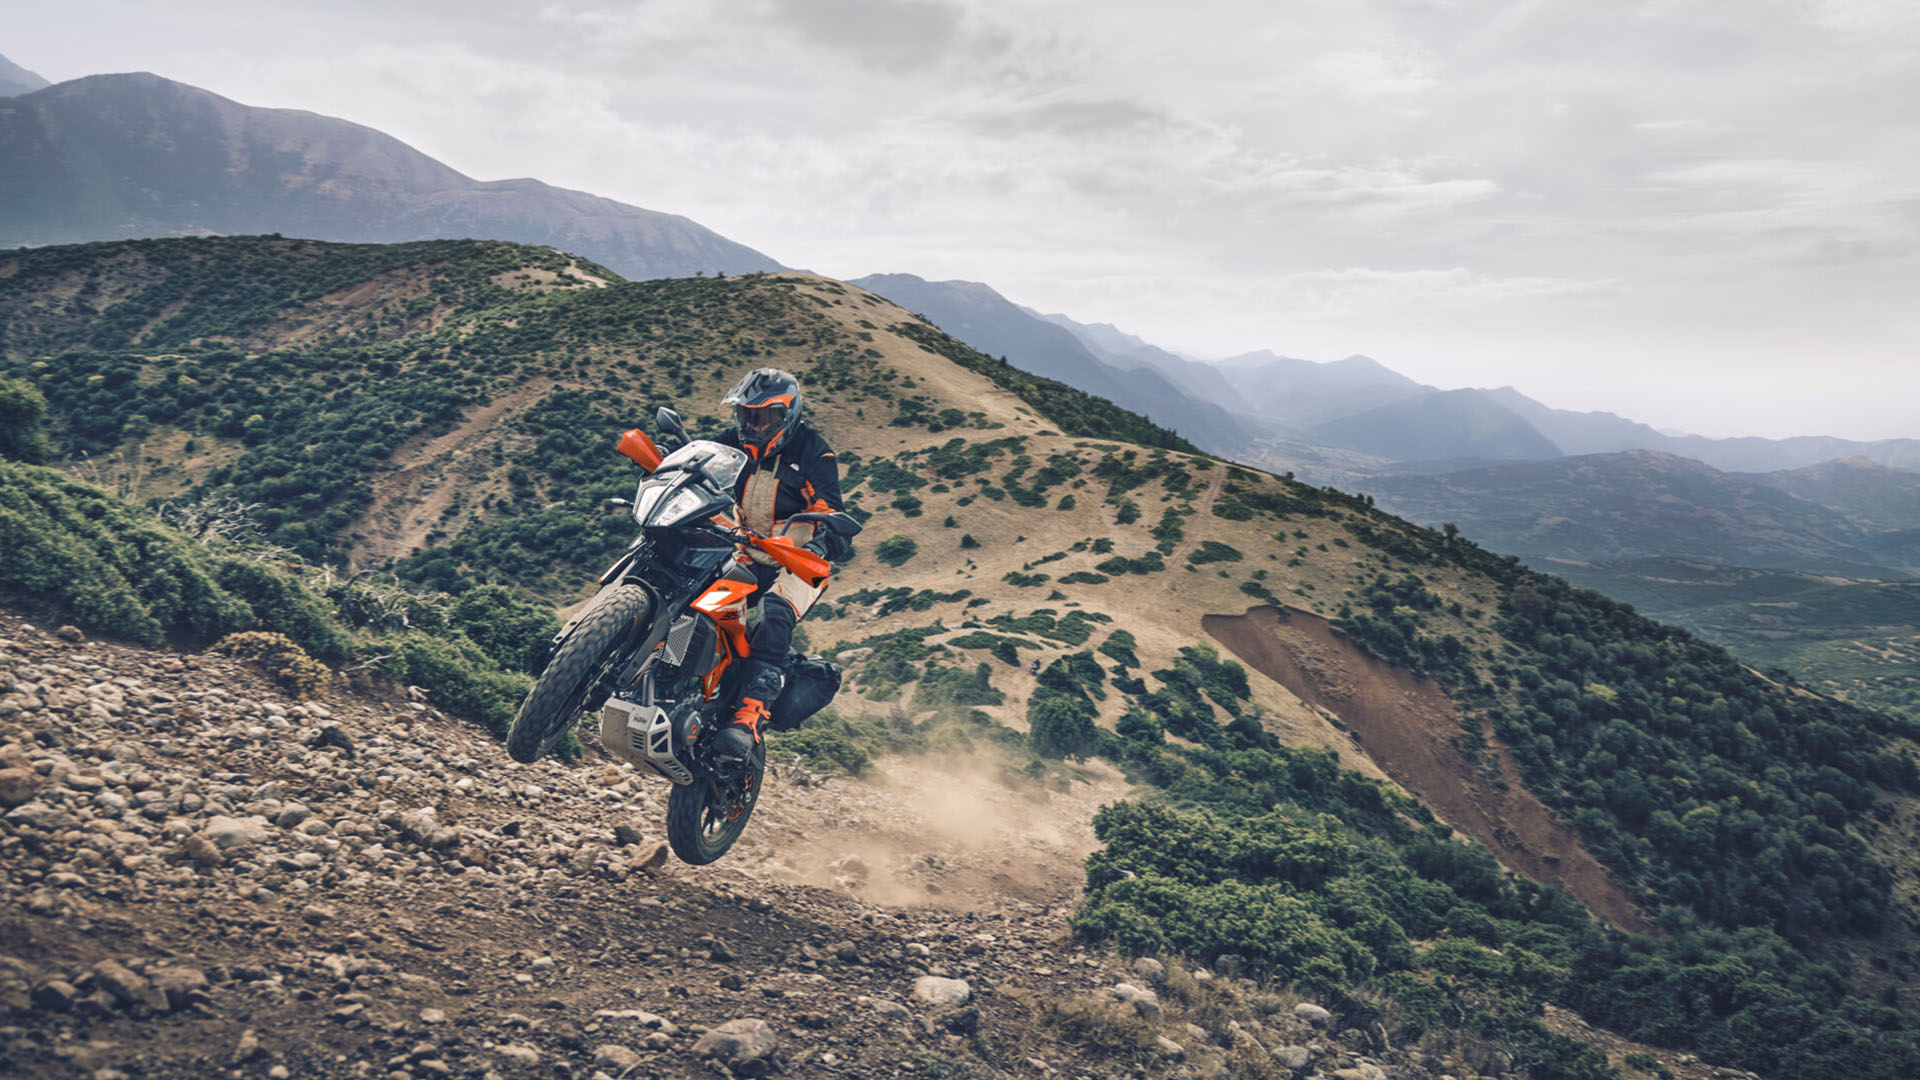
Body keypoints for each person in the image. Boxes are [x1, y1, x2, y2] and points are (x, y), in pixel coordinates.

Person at [706, 368, 856, 768]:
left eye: (763, 418)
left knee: (774, 614)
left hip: (800, 560)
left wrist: (825, 535)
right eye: (746, 416)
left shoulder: (814, 452)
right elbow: (702, 462)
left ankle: (748, 717)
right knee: (704, 603)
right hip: (747, 552)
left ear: (787, 416)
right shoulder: (734, 445)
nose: (752, 426)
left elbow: (828, 505)